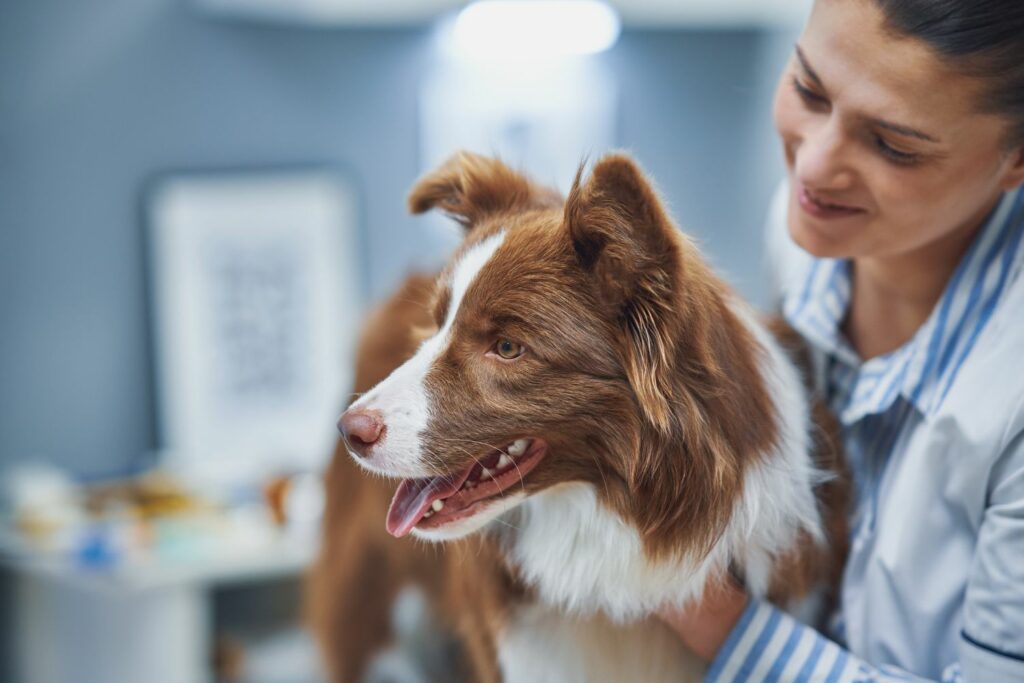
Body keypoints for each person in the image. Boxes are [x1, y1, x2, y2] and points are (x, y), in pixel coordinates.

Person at [658, 0, 1024, 681]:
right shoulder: (804, 238)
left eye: (894, 146)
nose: (816, 168)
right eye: (808, 89)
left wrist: (716, 621)